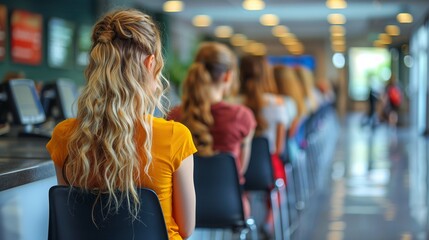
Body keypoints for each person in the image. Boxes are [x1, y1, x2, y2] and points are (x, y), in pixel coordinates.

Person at [46, 9, 196, 240]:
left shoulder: (64, 135)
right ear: (150, 63)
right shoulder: (175, 136)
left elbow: (73, 219)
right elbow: (186, 229)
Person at [167, 42, 256, 217]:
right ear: (228, 76)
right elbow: (240, 170)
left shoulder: (173, 116)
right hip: (230, 206)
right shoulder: (242, 116)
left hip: (182, 210)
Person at [237, 55, 290, 236]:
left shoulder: (231, 102)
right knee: (278, 172)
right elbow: (280, 148)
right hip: (267, 169)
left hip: (237, 169)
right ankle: (269, 220)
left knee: (238, 181)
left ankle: (246, 213)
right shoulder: (278, 104)